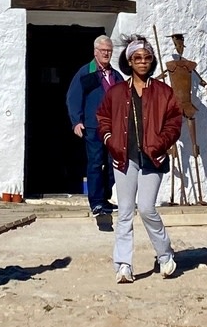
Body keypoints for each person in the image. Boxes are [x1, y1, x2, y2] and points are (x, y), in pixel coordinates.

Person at [97, 35, 183, 283]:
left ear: (152, 61)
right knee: (124, 211)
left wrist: (161, 143)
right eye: (137, 58)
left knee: (146, 208)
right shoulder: (116, 92)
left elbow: (174, 121)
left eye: (147, 58)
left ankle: (165, 255)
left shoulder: (164, 92)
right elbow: (103, 118)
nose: (143, 62)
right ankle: (123, 265)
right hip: (124, 157)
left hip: (153, 157)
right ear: (129, 61)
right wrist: (110, 140)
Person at [64, 35, 120, 216]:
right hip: (93, 126)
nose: (106, 54)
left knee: (113, 164)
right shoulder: (87, 72)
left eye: (109, 51)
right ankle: (96, 202)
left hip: (113, 128)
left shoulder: (115, 75)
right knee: (96, 163)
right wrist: (76, 121)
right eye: (103, 50)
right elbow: (73, 97)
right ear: (95, 52)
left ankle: (104, 198)